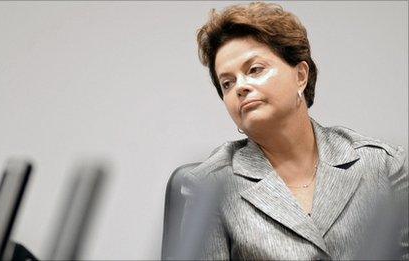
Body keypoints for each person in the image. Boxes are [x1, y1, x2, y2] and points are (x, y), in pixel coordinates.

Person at [175, 2, 408, 260]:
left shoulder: (383, 165)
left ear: (301, 76)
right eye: (227, 83)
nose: (240, 87)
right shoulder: (211, 185)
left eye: (254, 70)